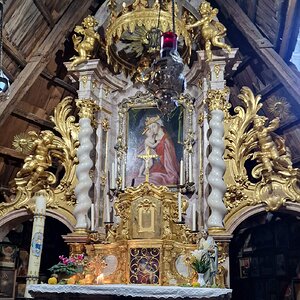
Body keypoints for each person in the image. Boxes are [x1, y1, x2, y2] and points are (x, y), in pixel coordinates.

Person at [138, 115, 179, 185]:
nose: (152, 130)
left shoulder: (166, 141)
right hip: (154, 166)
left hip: (163, 168)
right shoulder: (152, 138)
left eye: (154, 126)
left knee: (154, 180)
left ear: (159, 125)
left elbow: (168, 161)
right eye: (150, 128)